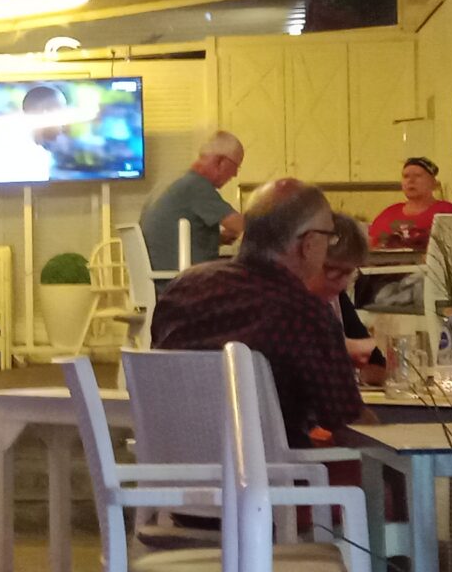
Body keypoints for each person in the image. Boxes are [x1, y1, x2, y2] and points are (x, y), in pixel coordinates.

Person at [149, 178, 366, 447]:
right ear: (308, 243)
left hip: (173, 465)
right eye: (328, 236)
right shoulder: (303, 312)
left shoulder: (181, 289)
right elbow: (348, 423)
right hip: (269, 469)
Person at [138, 131, 245, 273]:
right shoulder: (197, 186)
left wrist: (217, 239)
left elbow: (170, 238)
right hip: (181, 279)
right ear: (221, 162)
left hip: (158, 277)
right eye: (236, 166)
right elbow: (243, 226)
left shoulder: (171, 182)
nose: (235, 174)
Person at [314, 212, 387, 379]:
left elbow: (376, 364)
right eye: (331, 270)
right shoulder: (286, 305)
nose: (342, 283)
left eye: (348, 273)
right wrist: (340, 352)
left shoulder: (336, 298)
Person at [0, 82, 71, 183]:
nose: (63, 123)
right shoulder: (17, 149)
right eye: (60, 113)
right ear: (44, 112)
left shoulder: (27, 141)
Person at [369, 156, 452, 251]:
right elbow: (371, 247)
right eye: (406, 176)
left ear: (433, 183)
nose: (411, 180)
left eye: (418, 175)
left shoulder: (448, 212)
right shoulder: (388, 214)